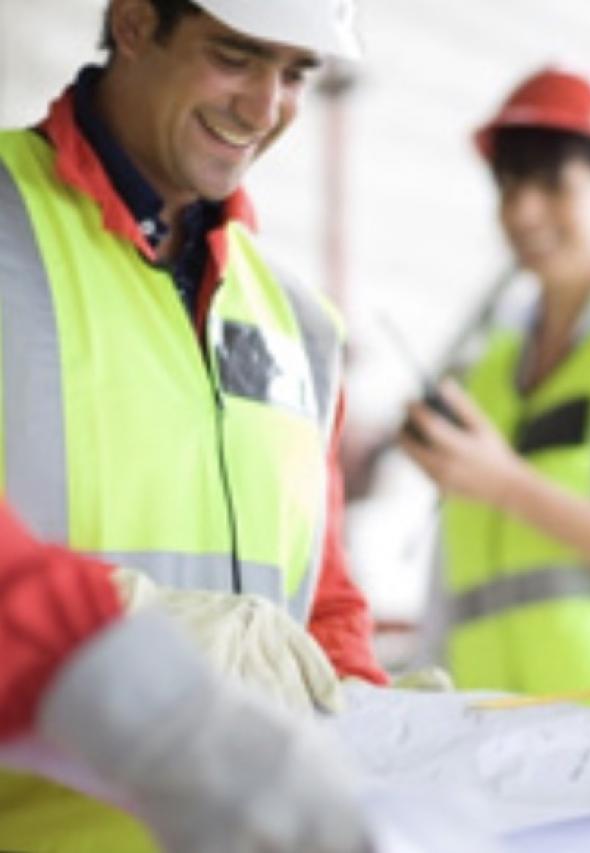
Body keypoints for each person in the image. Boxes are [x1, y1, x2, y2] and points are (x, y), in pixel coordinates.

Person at [0, 0, 390, 847]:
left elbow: (325, 606)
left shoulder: (301, 323)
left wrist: (392, 735)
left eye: (294, 74)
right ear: (136, 23)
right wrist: (133, 636)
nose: (265, 107)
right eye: (237, 57)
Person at [401, 65, 590, 705]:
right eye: (508, 186)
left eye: (551, 183)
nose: (522, 210)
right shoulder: (485, 368)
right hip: (484, 734)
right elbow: (450, 584)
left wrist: (504, 483)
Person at [0, 502, 370, 853]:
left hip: (257, 821)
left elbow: (325, 590)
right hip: (46, 827)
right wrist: (122, 636)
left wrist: (371, 704)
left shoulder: (322, 430)